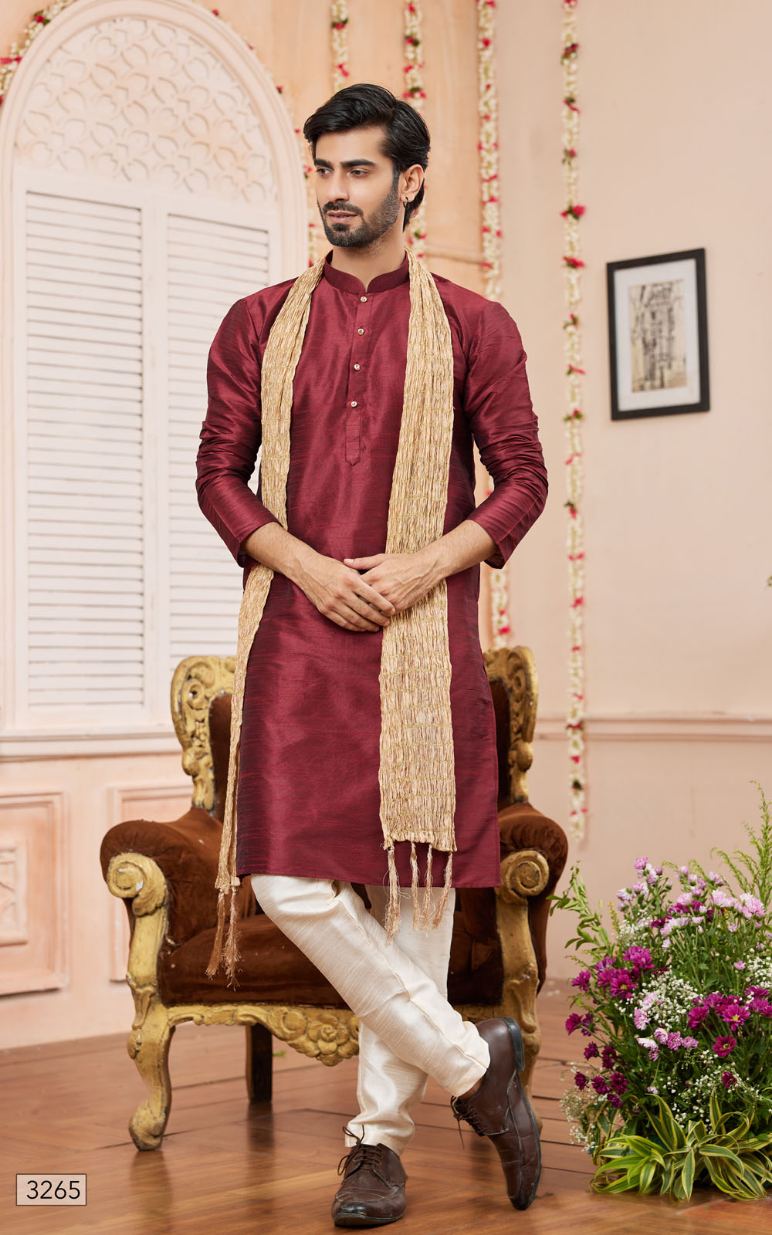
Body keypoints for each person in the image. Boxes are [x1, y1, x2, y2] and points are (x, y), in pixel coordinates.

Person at [196, 82, 548, 1227]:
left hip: (418, 633)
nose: (336, 192)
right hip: (298, 626)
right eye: (324, 171)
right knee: (289, 871)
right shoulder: (256, 321)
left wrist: (424, 563)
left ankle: (375, 1143)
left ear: (411, 179)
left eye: (357, 171)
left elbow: (525, 481)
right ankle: (472, 1060)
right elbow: (217, 474)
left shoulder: (476, 326)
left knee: (414, 883)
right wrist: (304, 565)